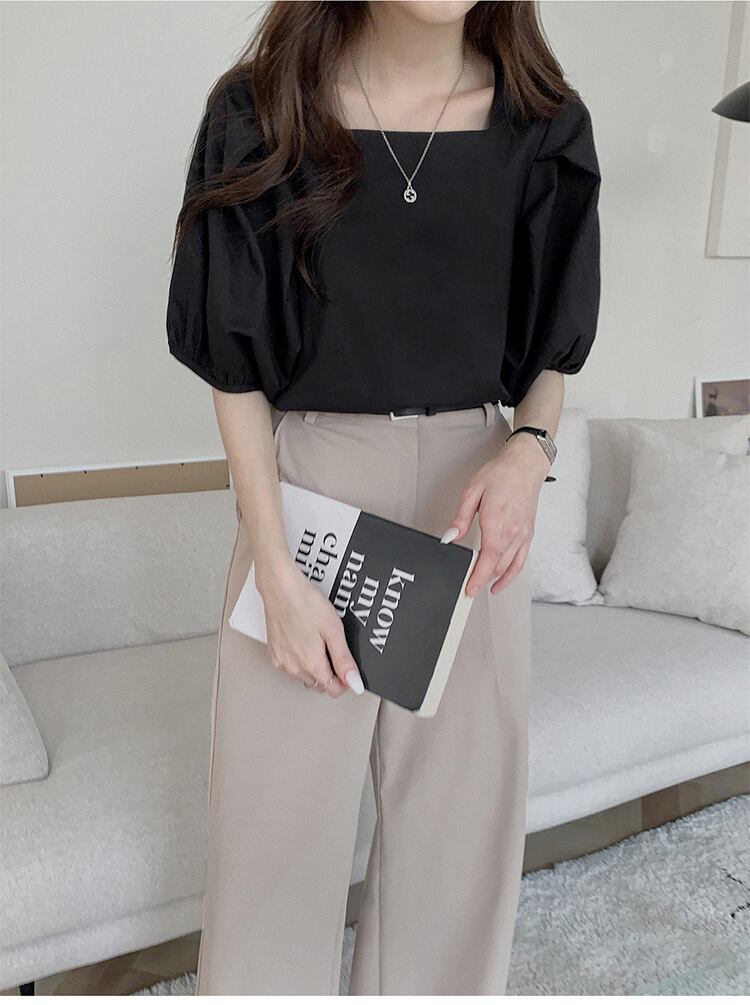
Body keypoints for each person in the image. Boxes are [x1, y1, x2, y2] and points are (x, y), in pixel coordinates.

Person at [165, 0, 601, 994]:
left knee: (459, 841)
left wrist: (528, 452)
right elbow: (235, 368)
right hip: (312, 484)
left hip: (473, 492)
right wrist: (275, 568)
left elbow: (552, 340)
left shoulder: (544, 124)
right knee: (273, 837)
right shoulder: (260, 111)